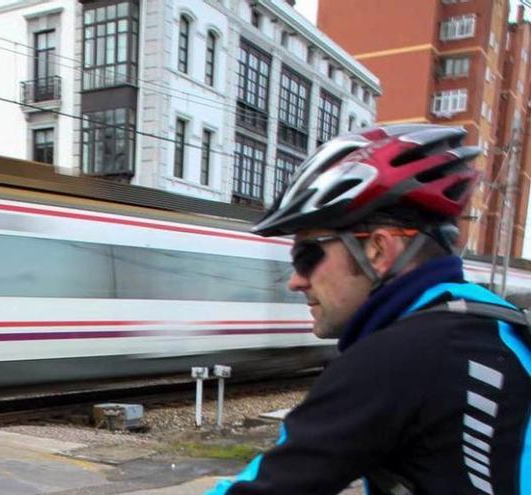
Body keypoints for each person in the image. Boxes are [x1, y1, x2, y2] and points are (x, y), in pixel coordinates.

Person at [206, 124, 530, 495]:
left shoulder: (395, 359)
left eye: (306, 255)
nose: (295, 281)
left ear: (377, 250)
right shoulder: (501, 324)